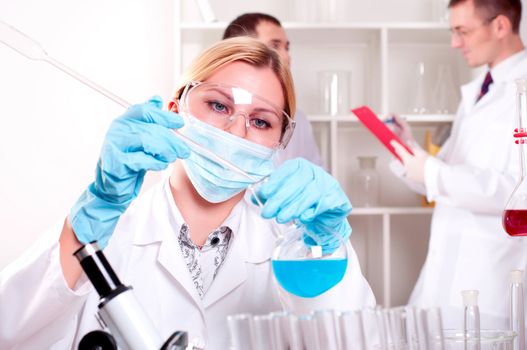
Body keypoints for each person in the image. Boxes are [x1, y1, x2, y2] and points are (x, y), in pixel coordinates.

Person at [0, 37, 375, 349]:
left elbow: (356, 343)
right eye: (218, 105)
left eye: (261, 121)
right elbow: (11, 334)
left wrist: (325, 252)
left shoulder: (295, 245)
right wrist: (84, 227)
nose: (236, 131)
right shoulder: (107, 231)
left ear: (279, 143)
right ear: (174, 109)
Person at [390, 0, 527, 330]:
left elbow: (519, 193)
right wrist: (405, 150)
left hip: (491, 280)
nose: (454, 43)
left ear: (500, 26)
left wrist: (435, 173)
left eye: (462, 31)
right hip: (445, 276)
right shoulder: (482, 91)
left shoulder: (521, 90)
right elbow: (443, 177)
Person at [223, 12, 325, 168]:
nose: (286, 56)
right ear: (240, 50)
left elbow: (316, 179)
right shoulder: (213, 111)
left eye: (287, 48)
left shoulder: (297, 120)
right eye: (275, 45)